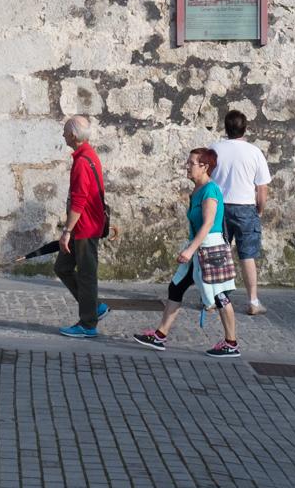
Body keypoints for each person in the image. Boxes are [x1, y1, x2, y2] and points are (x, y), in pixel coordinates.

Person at [132, 147, 240, 358]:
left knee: (219, 296)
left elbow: (208, 223)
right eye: (188, 162)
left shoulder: (210, 190)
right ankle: (160, 335)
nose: (187, 166)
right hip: (198, 249)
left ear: (204, 167)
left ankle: (231, 343)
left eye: (191, 163)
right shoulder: (197, 190)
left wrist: (190, 250)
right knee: (176, 287)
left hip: (209, 251)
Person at [211, 109, 273, 315]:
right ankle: (253, 301)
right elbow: (262, 188)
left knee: (219, 254)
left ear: (225, 128)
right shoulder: (254, 152)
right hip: (246, 207)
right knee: (247, 256)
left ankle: (213, 299)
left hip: (219, 206)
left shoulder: (215, 149)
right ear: (245, 128)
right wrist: (260, 210)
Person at [54, 115, 109, 339]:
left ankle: (88, 324)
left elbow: (79, 201)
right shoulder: (89, 155)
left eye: (65, 132)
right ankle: (94, 306)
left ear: (73, 136)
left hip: (85, 227)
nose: (63, 135)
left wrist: (67, 231)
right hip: (87, 225)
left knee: (86, 275)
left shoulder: (81, 162)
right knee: (62, 267)